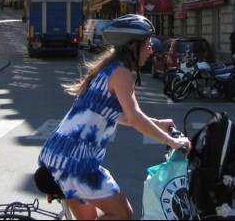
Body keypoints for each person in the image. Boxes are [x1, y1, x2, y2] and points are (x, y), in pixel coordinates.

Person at [38, 14, 191, 220]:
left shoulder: (109, 68)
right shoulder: (122, 73)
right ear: (132, 46)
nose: (151, 48)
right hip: (77, 161)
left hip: (59, 153)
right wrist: (172, 142)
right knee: (122, 215)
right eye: (147, 43)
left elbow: (118, 115)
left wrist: (158, 124)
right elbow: (135, 118)